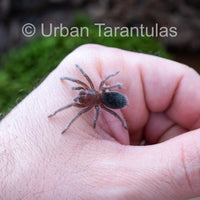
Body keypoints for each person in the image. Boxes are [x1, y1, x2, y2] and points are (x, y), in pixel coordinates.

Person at [0, 44, 200, 200]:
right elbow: (81, 93)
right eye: (83, 95)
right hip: (107, 98)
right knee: (83, 110)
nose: (81, 96)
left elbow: (88, 99)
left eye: (84, 94)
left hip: (108, 99)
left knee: (94, 113)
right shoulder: (90, 95)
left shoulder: (96, 98)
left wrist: (86, 78)